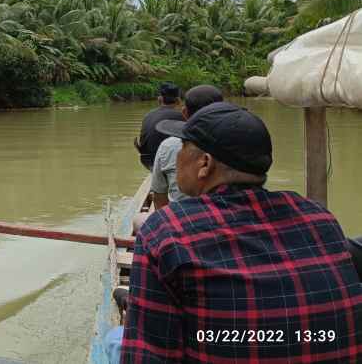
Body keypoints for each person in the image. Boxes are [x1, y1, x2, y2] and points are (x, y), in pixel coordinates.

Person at [121, 102, 361, 363]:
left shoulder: (165, 231)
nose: (176, 156)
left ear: (205, 163)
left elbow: (146, 357)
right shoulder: (320, 217)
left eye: (182, 148)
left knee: (116, 341)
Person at [150, 84, 223, 210]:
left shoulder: (169, 145)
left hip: (181, 216)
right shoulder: (235, 144)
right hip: (220, 215)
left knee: (138, 220)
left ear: (184, 113)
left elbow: (159, 198)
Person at [134, 82, 183, 170]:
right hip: (163, 163)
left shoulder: (148, 115)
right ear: (178, 100)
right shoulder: (181, 116)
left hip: (147, 162)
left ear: (159, 99)